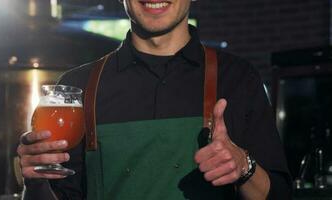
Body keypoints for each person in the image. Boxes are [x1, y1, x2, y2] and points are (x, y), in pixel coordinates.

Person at [17, 0, 292, 199]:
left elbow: (278, 194)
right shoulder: (76, 88)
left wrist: (244, 166)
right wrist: (35, 180)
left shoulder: (237, 79)